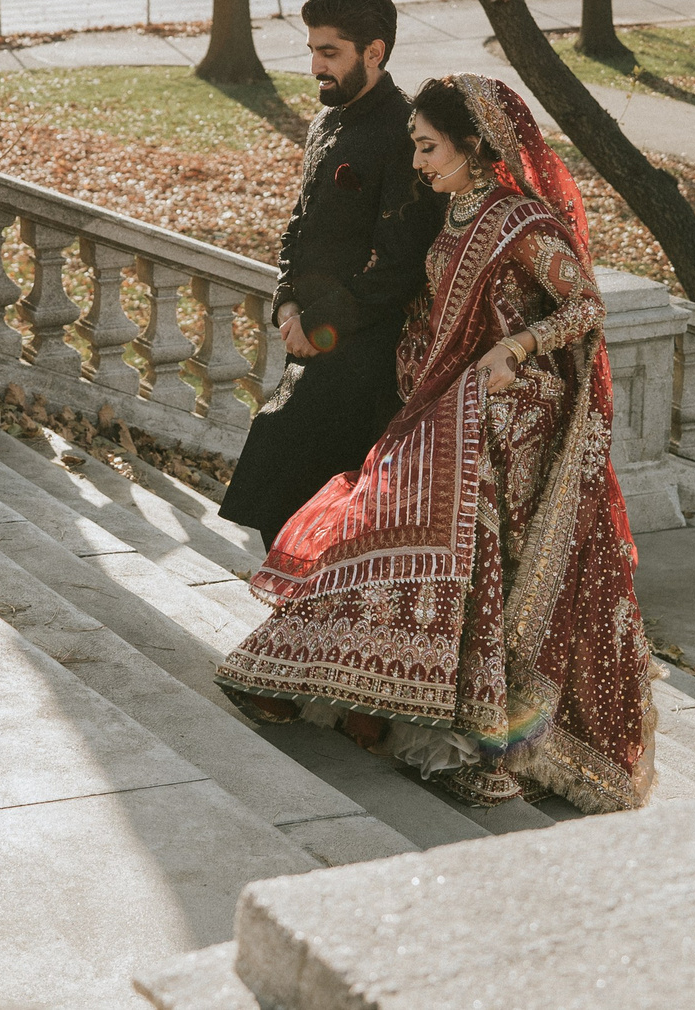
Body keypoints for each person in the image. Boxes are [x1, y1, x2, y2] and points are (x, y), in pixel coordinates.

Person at [216, 74, 658, 814]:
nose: (417, 162)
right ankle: (342, 680)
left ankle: (482, 741)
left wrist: (518, 348)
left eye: (427, 147)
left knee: (447, 526)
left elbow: (585, 305)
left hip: (511, 410)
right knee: (379, 507)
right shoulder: (450, 212)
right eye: (415, 146)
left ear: (474, 146)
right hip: (447, 397)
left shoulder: (521, 225)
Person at [220, 0, 446, 545]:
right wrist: (288, 304)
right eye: (313, 51)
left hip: (364, 359)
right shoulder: (325, 122)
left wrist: (321, 329)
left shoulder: (405, 134)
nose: (316, 66)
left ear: (374, 52)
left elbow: (401, 264)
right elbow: (298, 225)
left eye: (330, 53)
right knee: (279, 507)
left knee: (328, 518)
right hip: (310, 342)